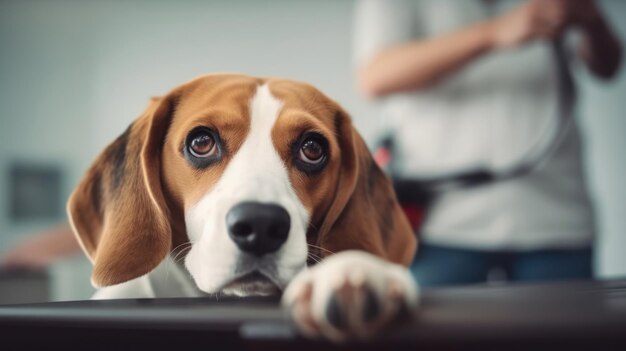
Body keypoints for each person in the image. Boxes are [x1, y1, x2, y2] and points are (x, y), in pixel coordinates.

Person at [353, 0, 621, 286]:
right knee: (435, 331)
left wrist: (593, 21)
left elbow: (607, 67)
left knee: (567, 330)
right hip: (440, 221)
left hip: (555, 216)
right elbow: (375, 75)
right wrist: (494, 33)